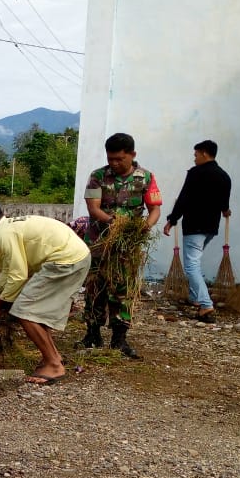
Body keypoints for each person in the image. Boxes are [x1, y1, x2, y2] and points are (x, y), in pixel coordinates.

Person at [0, 195, 91, 385]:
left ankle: (54, 365)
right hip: (75, 257)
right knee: (34, 311)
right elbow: (9, 268)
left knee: (24, 311)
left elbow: (18, 275)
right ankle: (52, 357)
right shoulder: (8, 227)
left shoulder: (4, 234)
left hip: (66, 261)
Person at [80, 132, 162, 358]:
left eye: (119, 159)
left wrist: (146, 225)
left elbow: (155, 208)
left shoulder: (146, 178)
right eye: (111, 159)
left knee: (123, 290)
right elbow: (93, 208)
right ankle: (92, 334)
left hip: (127, 247)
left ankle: (119, 339)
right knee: (95, 287)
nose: (114, 164)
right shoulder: (96, 176)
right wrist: (113, 222)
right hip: (98, 243)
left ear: (132, 155)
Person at [162, 140, 232, 322]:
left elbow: (185, 197)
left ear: (204, 153)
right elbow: (225, 204)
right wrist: (225, 211)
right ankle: (195, 298)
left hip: (194, 226)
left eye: (196, 155)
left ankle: (206, 305)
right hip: (211, 228)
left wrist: (172, 219)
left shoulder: (195, 174)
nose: (194, 159)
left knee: (191, 265)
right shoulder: (224, 176)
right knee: (195, 261)